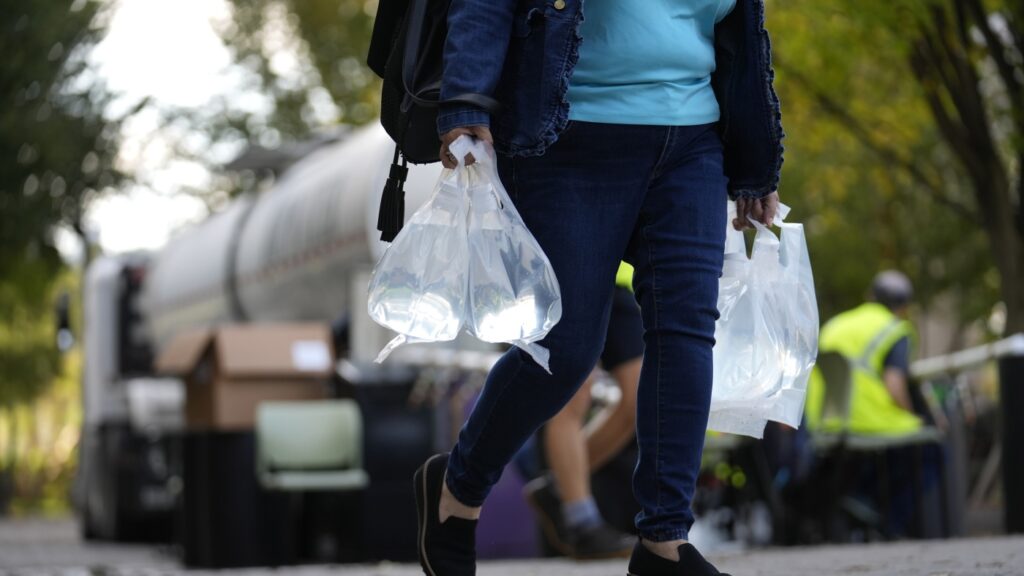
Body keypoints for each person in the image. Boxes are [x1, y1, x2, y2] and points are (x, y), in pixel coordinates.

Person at [413, 1, 784, 575]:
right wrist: (465, 101)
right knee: (564, 350)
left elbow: (740, 30)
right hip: (570, 132)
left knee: (686, 329)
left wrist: (757, 161)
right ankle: (457, 489)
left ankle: (664, 541)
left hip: (694, 138)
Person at [524, 264, 643, 559]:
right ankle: (582, 523)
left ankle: (557, 486)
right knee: (571, 393)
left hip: (614, 275)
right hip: (562, 268)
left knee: (640, 398)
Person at [805, 271, 922, 435]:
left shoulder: (835, 324)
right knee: (924, 431)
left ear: (870, 296)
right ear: (904, 308)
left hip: (822, 422)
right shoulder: (894, 329)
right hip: (869, 422)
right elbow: (894, 385)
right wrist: (910, 412)